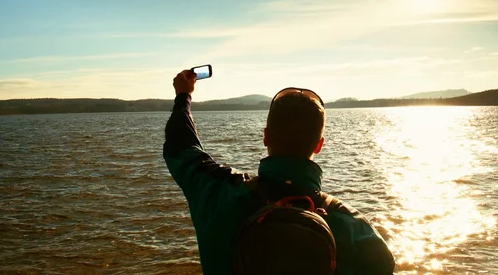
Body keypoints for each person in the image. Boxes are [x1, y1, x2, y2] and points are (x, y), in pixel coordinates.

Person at [164, 70, 395, 275]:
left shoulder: (217, 193)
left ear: (266, 136)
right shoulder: (355, 229)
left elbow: (181, 147)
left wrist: (183, 95)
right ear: (319, 145)